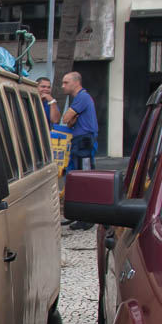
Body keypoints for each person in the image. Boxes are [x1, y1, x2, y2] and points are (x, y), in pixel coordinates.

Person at [61, 71, 99, 230]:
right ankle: (81, 217)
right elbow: (69, 122)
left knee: (85, 179)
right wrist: (71, 119)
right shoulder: (80, 98)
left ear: (76, 83)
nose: (63, 86)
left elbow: (65, 119)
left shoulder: (82, 97)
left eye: (66, 83)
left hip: (84, 142)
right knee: (77, 179)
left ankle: (88, 217)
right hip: (80, 142)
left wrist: (71, 118)